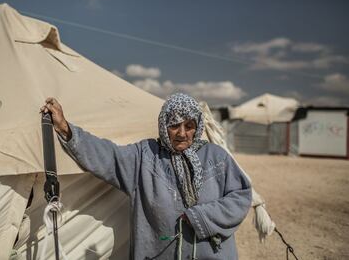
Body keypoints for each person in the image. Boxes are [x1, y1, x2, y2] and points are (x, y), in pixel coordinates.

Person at [41, 93, 251, 260]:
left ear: (197, 127)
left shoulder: (216, 157)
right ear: (163, 125)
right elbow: (108, 155)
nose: (182, 133)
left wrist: (202, 217)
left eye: (189, 126)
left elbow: (241, 196)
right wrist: (65, 128)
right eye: (174, 125)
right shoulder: (144, 156)